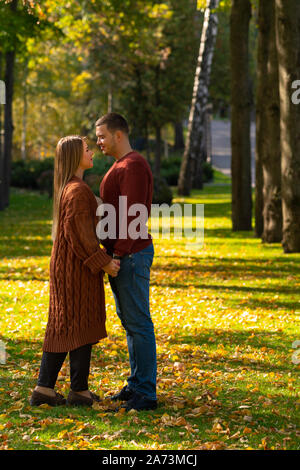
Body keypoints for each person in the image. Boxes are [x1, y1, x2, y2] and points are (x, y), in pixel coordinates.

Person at [30, 135, 120, 407]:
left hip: (71, 267)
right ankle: (43, 388)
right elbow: (79, 236)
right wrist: (103, 261)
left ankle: (78, 390)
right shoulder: (76, 190)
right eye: (86, 149)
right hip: (74, 269)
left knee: (78, 325)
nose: (91, 152)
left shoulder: (72, 187)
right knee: (68, 325)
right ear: (74, 156)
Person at [95, 113, 157, 412]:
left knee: (139, 323)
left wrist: (117, 254)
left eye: (102, 136)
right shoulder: (121, 166)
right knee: (131, 323)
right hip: (124, 253)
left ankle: (146, 393)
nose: (99, 141)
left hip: (130, 254)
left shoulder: (132, 166)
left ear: (119, 135)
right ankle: (136, 385)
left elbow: (133, 214)